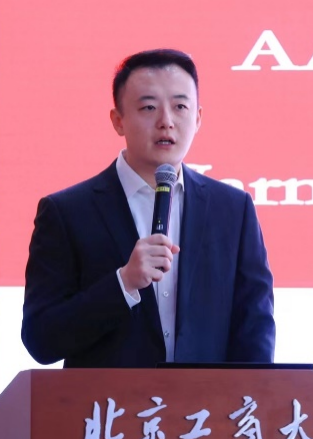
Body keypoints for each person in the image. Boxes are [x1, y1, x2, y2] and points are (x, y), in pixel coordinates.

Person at [21, 49, 275, 368]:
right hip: (108, 400)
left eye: (180, 106)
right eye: (148, 107)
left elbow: (254, 327)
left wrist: (251, 394)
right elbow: (41, 339)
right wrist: (123, 283)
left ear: (198, 118)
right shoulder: (67, 212)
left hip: (206, 401)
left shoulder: (233, 210)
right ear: (118, 121)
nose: (166, 122)